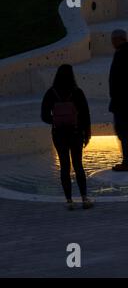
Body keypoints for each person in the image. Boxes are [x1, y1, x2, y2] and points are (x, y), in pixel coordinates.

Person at [41, 64, 93, 210]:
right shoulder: (77, 92)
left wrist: (56, 120)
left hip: (59, 134)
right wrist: (87, 133)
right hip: (75, 133)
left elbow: (44, 116)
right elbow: (85, 115)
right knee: (78, 165)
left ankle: (69, 201)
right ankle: (84, 198)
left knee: (64, 166)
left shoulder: (51, 93)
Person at [109, 29, 128, 172]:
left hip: (123, 102)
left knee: (124, 131)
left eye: (113, 39)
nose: (112, 42)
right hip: (124, 101)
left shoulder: (124, 54)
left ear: (119, 39)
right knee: (125, 131)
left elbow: (122, 80)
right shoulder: (125, 52)